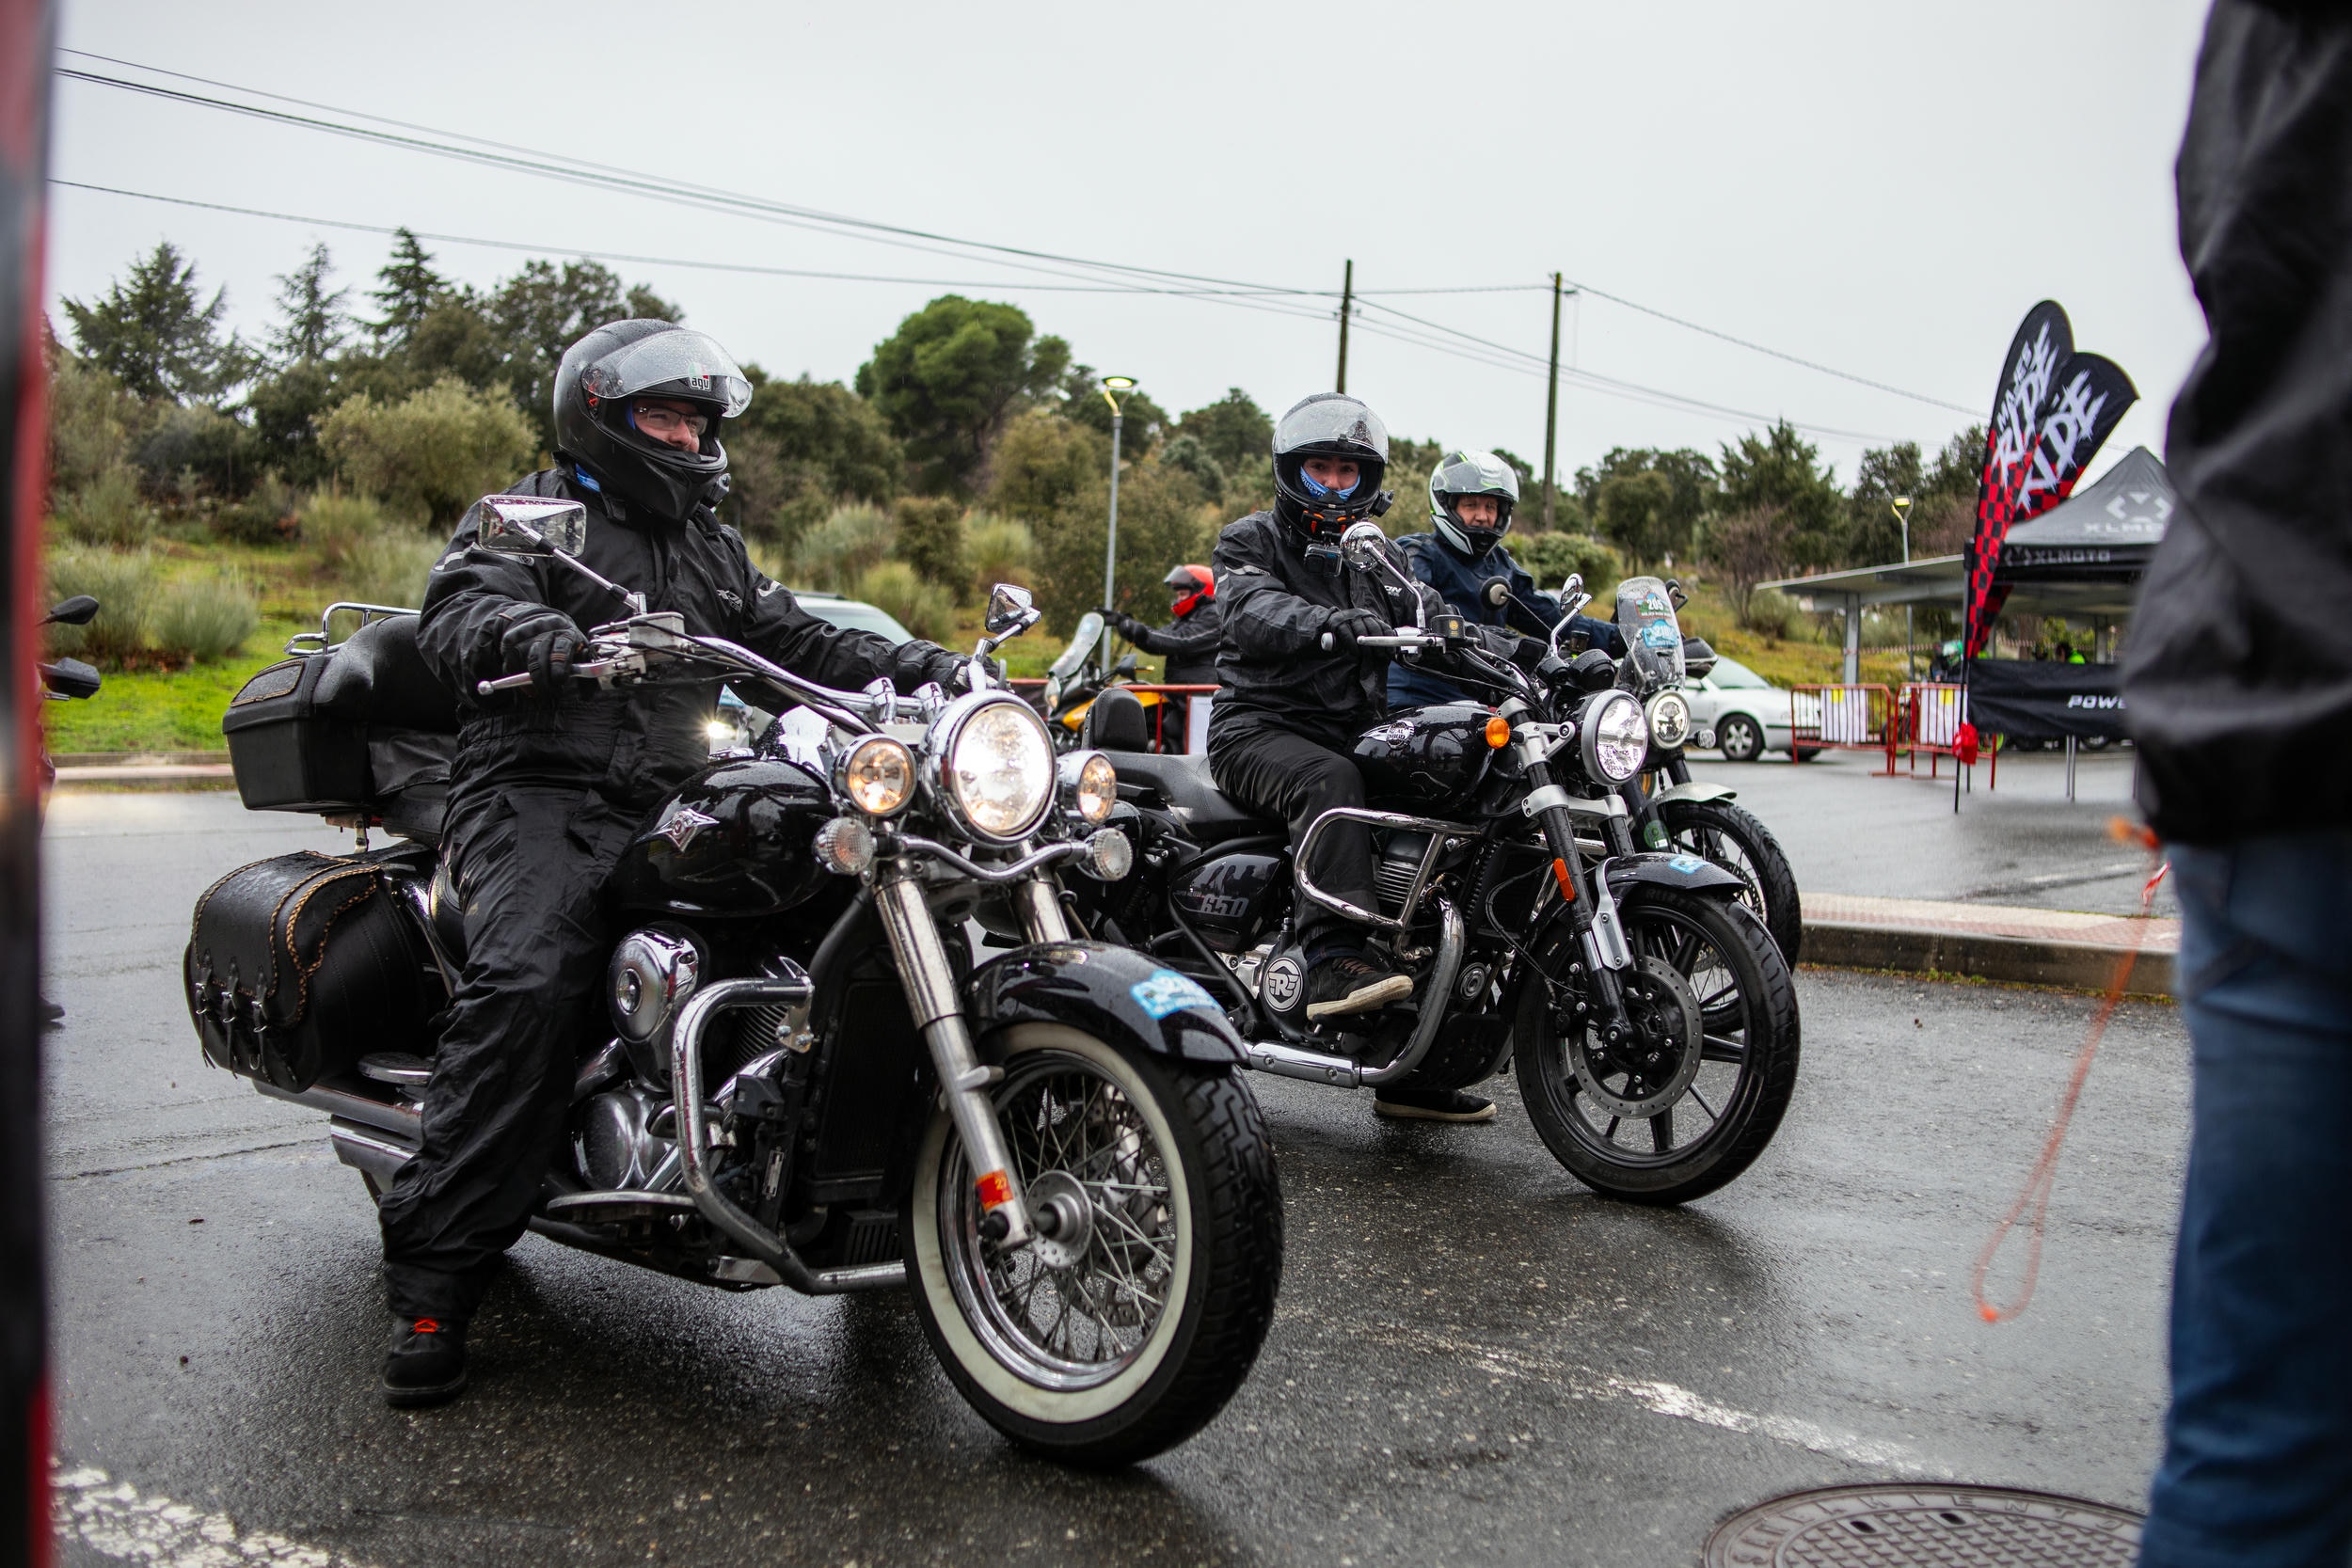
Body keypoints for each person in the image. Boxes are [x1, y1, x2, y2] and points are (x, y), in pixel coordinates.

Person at [376, 320, 972, 1408]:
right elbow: (459, 608)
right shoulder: (530, 516)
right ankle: (434, 1281)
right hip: (535, 788)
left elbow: (799, 638)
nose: (688, 438)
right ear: (597, 417)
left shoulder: (709, 547)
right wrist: (531, 635)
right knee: (530, 979)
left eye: (698, 420)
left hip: (667, 790)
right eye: (664, 416)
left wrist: (921, 665)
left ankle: (852, 1188)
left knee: (848, 914)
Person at [2122, 5, 2352, 1563]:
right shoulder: (1312, 565)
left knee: (2261, 1435)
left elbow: (2238, 229)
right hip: (2285, 678)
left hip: (2267, 663)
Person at [1207, 393, 1493, 1124]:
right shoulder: (1249, 540)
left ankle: (1417, 1057)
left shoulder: (1375, 555)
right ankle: (1333, 957)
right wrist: (1329, 624)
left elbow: (1430, 610)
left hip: (1349, 729)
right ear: (1292, 471)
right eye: (1321, 469)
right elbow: (1251, 610)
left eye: (1347, 471)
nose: (1335, 485)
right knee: (1332, 780)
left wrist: (1524, 650)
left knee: (1442, 791)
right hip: (1257, 728)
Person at [1385, 450, 1618, 709]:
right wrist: (1505, 643)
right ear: (1447, 505)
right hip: (1419, 699)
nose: (1482, 516)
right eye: (1471, 505)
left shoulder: (1500, 564)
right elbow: (1417, 611)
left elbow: (1547, 617)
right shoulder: (1418, 554)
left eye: (1490, 507)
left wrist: (1623, 637)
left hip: (1488, 699)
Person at [1105, 564, 1221, 688]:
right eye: (1178, 595)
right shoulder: (1186, 618)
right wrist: (1128, 629)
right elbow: (1161, 642)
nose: (1179, 600)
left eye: (1182, 594)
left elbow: (1181, 641)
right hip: (1180, 689)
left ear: (1202, 591)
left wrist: (1141, 630)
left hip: (1201, 693)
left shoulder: (1215, 615)